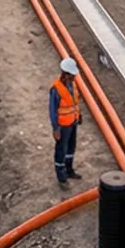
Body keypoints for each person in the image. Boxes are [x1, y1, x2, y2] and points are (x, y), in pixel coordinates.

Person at [49, 58, 84, 187]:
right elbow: (53, 110)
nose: (74, 77)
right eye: (72, 74)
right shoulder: (56, 89)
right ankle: (61, 176)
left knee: (71, 147)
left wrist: (78, 115)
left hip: (72, 122)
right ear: (65, 74)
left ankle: (69, 170)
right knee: (61, 149)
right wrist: (56, 128)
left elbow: (75, 101)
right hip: (63, 125)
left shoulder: (72, 85)